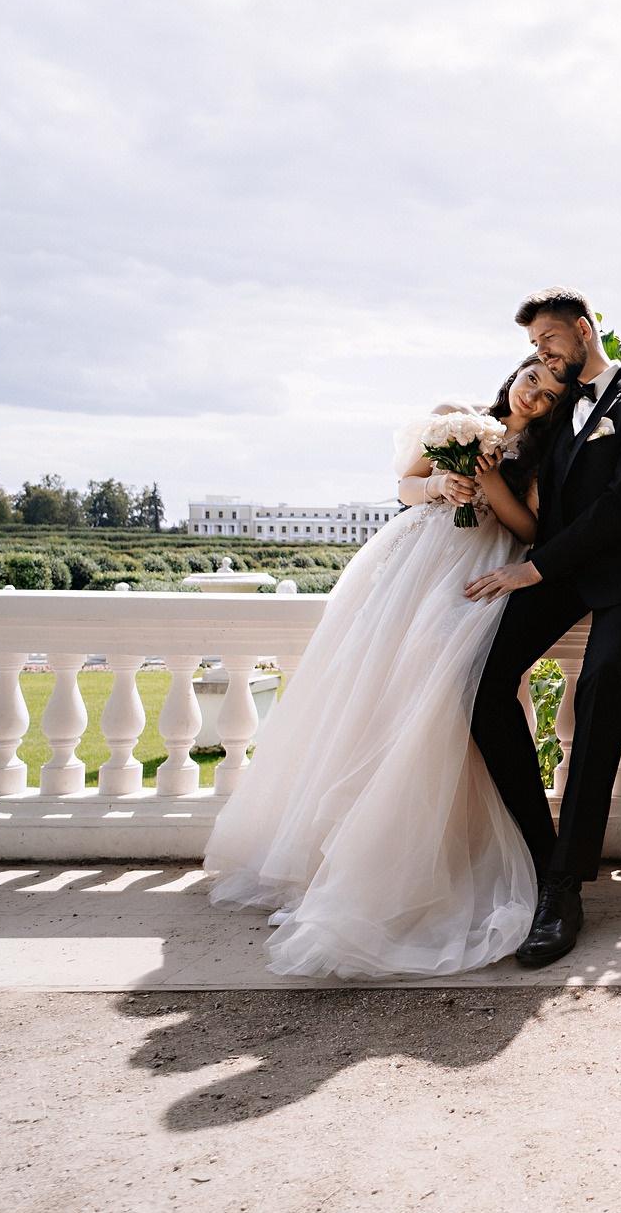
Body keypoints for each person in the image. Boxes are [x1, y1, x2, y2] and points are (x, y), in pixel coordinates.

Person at [201, 357, 568, 979]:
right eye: (532, 379)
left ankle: (426, 856)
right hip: (409, 562)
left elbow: (530, 526)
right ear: (514, 376)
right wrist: (441, 487)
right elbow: (405, 485)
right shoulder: (458, 417)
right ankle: (333, 857)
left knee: (438, 673)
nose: (536, 395)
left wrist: (491, 485)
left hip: (473, 566)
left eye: (551, 393)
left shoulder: (542, 456)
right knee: (368, 689)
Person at [467, 286, 621, 968]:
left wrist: (538, 569)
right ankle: (543, 853)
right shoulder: (558, 412)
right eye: (535, 346)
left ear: (585, 331)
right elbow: (541, 506)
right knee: (481, 683)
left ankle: (567, 886)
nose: (540, 353)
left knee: (598, 687)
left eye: (549, 342)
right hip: (566, 570)